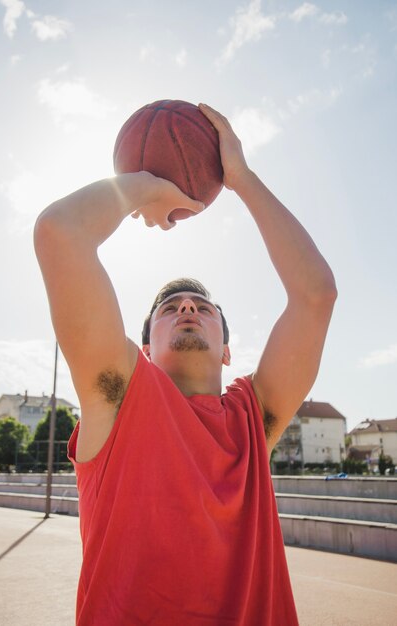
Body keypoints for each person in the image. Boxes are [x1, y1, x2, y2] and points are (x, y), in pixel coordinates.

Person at [34, 103, 337, 625]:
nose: (188, 308)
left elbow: (315, 294)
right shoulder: (118, 399)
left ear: (226, 350)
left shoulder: (253, 419)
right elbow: (60, 232)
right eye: (169, 309)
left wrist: (239, 177)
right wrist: (145, 186)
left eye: (202, 307)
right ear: (145, 348)